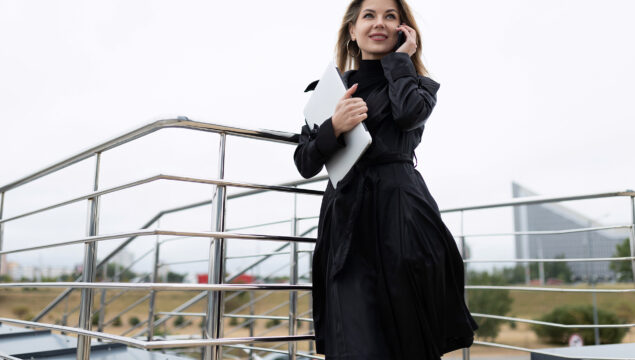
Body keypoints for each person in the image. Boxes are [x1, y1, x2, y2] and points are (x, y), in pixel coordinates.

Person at [293, 0, 479, 358]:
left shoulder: (416, 85)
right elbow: (304, 162)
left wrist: (402, 61)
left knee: (407, 335)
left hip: (401, 220)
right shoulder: (330, 91)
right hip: (348, 222)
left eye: (390, 16)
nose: (379, 23)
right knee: (354, 336)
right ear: (352, 30)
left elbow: (408, 115)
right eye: (369, 16)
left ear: (403, 29)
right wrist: (335, 127)